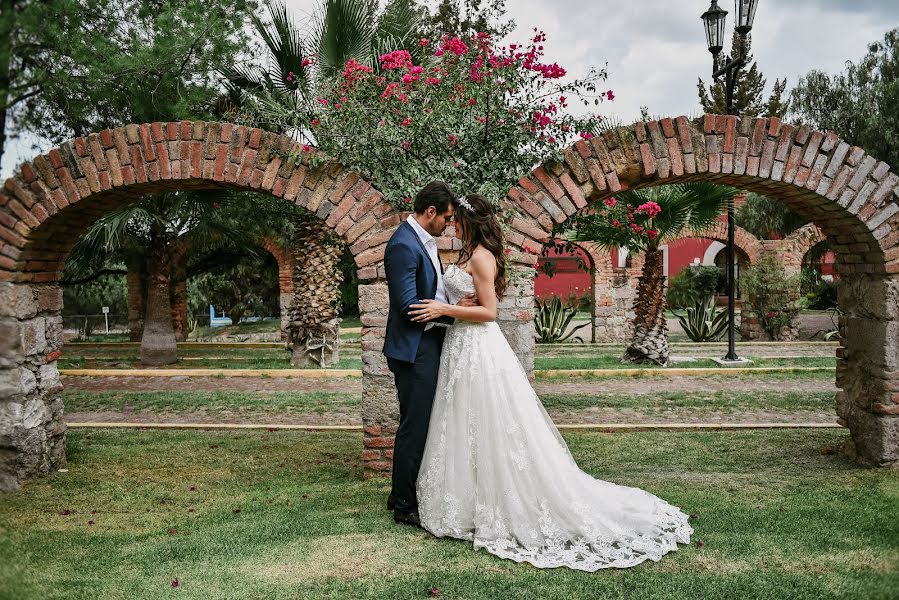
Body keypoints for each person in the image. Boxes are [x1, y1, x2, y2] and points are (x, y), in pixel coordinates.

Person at [407, 193, 693, 572]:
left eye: (457, 221)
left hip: (478, 345)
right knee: (462, 420)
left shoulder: (479, 256)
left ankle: (497, 501)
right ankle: (466, 499)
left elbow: (489, 312)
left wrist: (445, 308)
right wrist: (458, 304)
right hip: (460, 345)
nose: (452, 226)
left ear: (469, 223)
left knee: (487, 420)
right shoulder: (467, 254)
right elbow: (474, 299)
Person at [382, 181, 475, 527]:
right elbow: (409, 306)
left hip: (428, 343)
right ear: (431, 212)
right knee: (415, 425)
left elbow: (430, 293)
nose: (449, 225)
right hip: (413, 349)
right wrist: (453, 313)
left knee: (419, 421)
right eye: (447, 219)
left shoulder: (425, 242)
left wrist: (450, 305)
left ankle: (399, 492)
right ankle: (405, 505)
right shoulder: (404, 245)